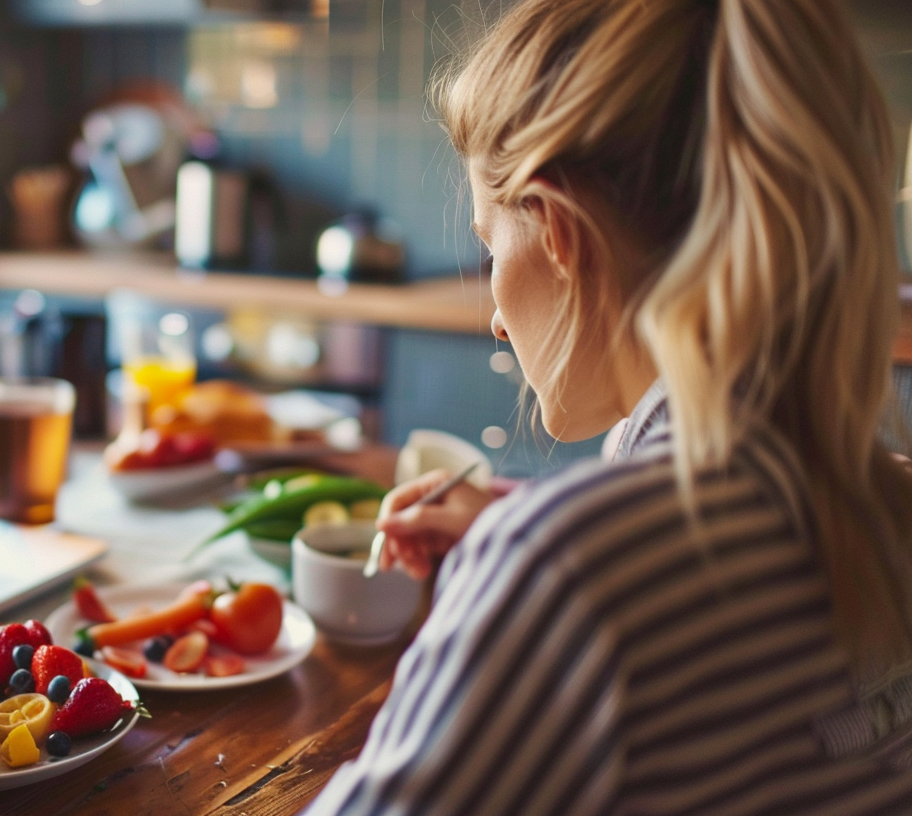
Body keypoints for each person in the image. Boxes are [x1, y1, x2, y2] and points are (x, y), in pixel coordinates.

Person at [305, 0, 912, 813]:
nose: (493, 311)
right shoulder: (883, 504)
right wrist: (509, 534)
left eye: (491, 248)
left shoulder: (567, 574)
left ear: (557, 229)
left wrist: (524, 567)